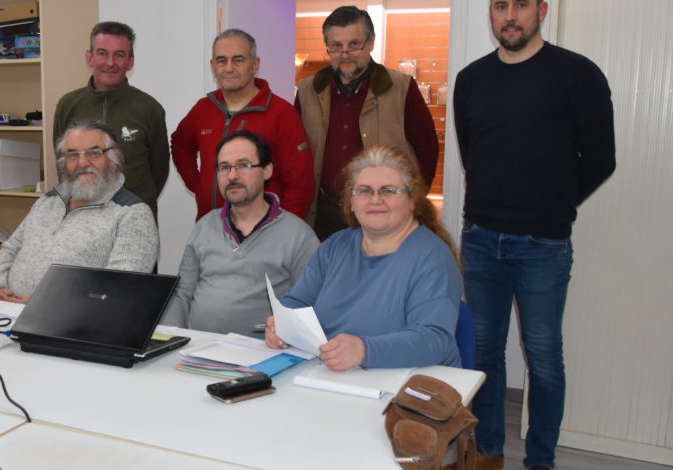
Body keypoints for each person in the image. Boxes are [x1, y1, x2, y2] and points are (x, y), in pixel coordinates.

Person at [452, 1, 616, 470]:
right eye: (500, 5)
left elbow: (601, 159)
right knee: (484, 352)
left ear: (542, 10)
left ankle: (541, 459)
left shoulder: (577, 74)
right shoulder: (470, 79)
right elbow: (473, 153)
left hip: (543, 244)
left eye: (521, 4)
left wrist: (554, 204)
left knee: (543, 356)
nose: (510, 15)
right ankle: (489, 449)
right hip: (481, 237)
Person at [264, 145, 461, 371]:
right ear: (351, 201)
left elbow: (434, 340)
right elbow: (297, 302)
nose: (375, 200)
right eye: (364, 191)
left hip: (409, 382)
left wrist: (365, 350)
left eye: (388, 190)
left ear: (412, 200)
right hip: (331, 377)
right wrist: (281, 325)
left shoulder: (432, 258)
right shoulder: (335, 247)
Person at [296, 5, 439, 241]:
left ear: (371, 42)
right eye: (336, 45)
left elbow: (427, 151)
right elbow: (295, 154)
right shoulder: (307, 91)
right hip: (323, 214)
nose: (345, 53)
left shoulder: (402, 88)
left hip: (383, 213)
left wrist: (412, 203)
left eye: (354, 44)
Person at [162, 131, 319, 335]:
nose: (232, 176)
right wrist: (168, 337)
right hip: (198, 347)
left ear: (267, 170)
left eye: (243, 165)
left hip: (263, 350)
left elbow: (311, 305)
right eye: (224, 167)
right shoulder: (205, 226)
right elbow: (181, 294)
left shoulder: (298, 236)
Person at [0, 120, 158, 303]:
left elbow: (118, 289)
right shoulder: (47, 201)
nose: (82, 163)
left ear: (113, 158)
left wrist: (42, 305)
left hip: (69, 320)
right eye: (73, 155)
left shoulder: (133, 213)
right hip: (5, 311)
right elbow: (10, 248)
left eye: (94, 153)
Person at [171, 29, 314, 220]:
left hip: (262, 230)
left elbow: (301, 185)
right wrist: (200, 185)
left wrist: (281, 228)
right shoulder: (203, 109)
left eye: (238, 60)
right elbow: (180, 144)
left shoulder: (282, 113)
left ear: (255, 65)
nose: (229, 68)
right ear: (213, 66)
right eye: (221, 60)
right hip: (210, 226)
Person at [54, 21, 168, 217]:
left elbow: (159, 170)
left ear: (130, 62)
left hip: (135, 217)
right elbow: (64, 165)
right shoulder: (67, 105)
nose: (110, 62)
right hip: (82, 217)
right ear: (90, 58)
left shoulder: (149, 108)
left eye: (119, 55)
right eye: (102, 53)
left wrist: (133, 204)